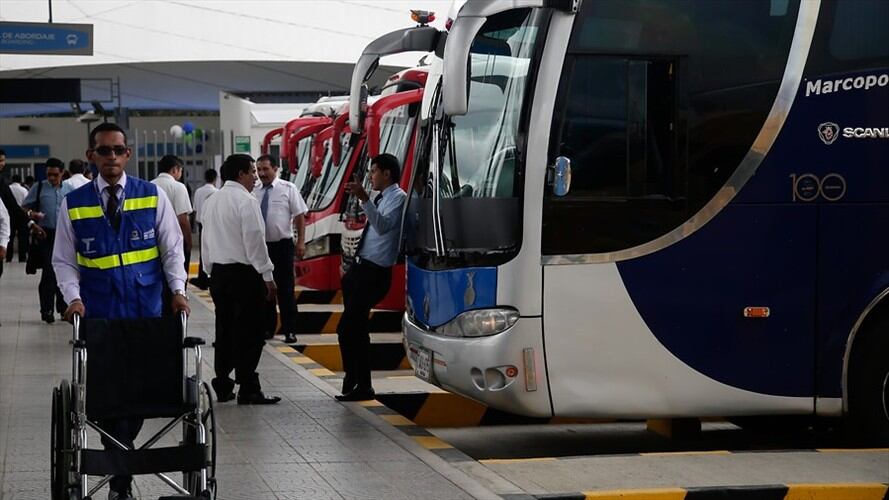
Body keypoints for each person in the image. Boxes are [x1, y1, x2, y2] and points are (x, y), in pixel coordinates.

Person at [53, 122, 189, 500]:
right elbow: (64, 260)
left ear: (128, 155)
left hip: (146, 313)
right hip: (99, 316)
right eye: (103, 151)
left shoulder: (153, 196)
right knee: (106, 400)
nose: (111, 157)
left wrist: (177, 291)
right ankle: (121, 475)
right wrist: (72, 298)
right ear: (92, 155)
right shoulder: (74, 204)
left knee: (139, 397)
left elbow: (172, 249)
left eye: (117, 150)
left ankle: (119, 469)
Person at [201, 153, 281, 405]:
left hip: (219, 275)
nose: (256, 178)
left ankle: (223, 383)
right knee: (251, 331)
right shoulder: (246, 201)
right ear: (240, 174)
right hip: (245, 276)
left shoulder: (211, 201)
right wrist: (267, 276)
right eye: (252, 173)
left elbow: (205, 240)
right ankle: (248, 386)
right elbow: (255, 241)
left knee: (224, 329)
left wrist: (209, 269)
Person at [336, 153, 406, 401]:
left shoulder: (398, 198)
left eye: (373, 171)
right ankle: (359, 382)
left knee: (346, 327)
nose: (370, 177)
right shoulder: (381, 197)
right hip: (359, 269)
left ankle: (355, 378)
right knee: (356, 329)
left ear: (387, 173)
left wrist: (365, 199)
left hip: (375, 274)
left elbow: (384, 226)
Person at [254, 155, 307, 344]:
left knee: (285, 289)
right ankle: (268, 328)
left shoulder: (288, 189)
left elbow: (300, 216)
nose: (261, 174)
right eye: (258, 170)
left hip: (282, 246)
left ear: (275, 169)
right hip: (260, 247)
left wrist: (301, 242)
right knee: (264, 289)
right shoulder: (254, 190)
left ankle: (290, 330)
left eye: (265, 169)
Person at [22, 158, 73, 323]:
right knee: (49, 272)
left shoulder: (69, 189)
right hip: (45, 235)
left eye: (55, 175)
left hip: (64, 235)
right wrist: (32, 217)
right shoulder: (39, 188)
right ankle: (47, 309)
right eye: (48, 174)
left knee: (64, 271)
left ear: (62, 173)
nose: (51, 178)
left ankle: (63, 307)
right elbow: (24, 208)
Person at [152, 155, 193, 275]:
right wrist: (189, 242)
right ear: (174, 169)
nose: (181, 173)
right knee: (178, 277)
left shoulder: (149, 186)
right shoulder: (178, 187)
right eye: (180, 170)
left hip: (154, 240)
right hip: (175, 241)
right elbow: (183, 220)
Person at [188, 168, 218, 290]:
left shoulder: (199, 191)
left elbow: (194, 210)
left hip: (201, 225)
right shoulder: (217, 192)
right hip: (213, 225)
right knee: (214, 251)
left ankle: (202, 278)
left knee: (203, 252)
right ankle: (212, 278)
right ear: (215, 178)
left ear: (205, 178)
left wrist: (194, 226)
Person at [6, 174, 29, 263]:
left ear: (12, 180)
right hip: (22, 215)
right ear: (20, 181)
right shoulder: (24, 190)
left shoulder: (8, 188)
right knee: (22, 237)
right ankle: (22, 257)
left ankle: (9, 257)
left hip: (10, 215)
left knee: (10, 237)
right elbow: (26, 203)